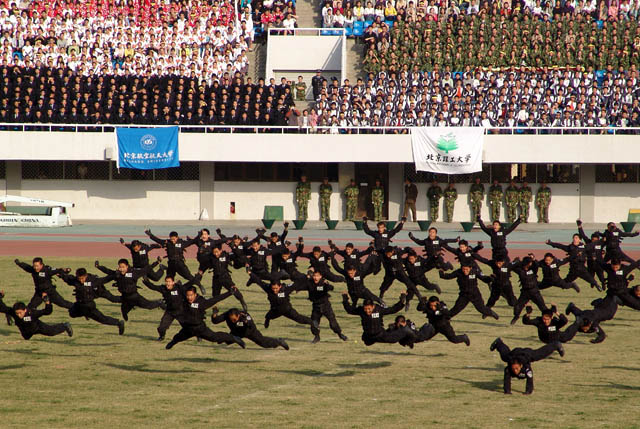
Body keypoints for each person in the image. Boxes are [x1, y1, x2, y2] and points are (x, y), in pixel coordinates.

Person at [165, 286, 245, 350]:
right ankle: (172, 343)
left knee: (215, 337)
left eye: (191, 295)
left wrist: (229, 293)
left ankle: (234, 338)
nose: (189, 297)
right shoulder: (184, 302)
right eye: (188, 295)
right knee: (178, 337)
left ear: (195, 295)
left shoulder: (201, 302)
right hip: (188, 329)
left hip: (200, 328)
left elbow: (215, 299)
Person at [250, 274, 320, 338]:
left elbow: (296, 284)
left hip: (287, 309)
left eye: (276, 288)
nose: (275, 290)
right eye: (273, 288)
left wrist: (306, 277)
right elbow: (259, 281)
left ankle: (313, 323)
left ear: (280, 286)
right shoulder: (268, 288)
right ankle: (267, 320)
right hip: (275, 310)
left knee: (299, 319)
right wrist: (250, 273)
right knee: (268, 316)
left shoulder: (286, 289)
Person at [58, 268, 125, 335]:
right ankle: (85, 313)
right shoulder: (76, 280)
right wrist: (60, 274)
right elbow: (68, 278)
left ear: (86, 276)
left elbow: (104, 279)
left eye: (82, 278)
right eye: (79, 278)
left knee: (102, 319)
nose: (81, 281)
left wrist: (115, 275)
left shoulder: (93, 280)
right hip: (79, 304)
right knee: (72, 313)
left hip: (89, 305)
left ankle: (118, 323)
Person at [95, 258, 165, 321]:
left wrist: (157, 262)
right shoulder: (117, 274)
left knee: (149, 306)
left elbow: (146, 269)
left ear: (127, 266)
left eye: (123, 267)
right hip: (125, 297)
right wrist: (99, 267)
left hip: (135, 297)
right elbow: (108, 271)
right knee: (123, 309)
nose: (121, 269)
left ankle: (159, 303)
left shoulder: (134, 273)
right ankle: (126, 316)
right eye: (120, 267)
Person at [490, 337, 564, 395]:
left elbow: (529, 379)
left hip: (526, 354)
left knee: (538, 355)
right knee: (505, 357)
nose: (515, 371)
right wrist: (507, 391)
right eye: (514, 369)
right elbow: (506, 380)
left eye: (516, 368)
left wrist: (528, 391)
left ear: (521, 366)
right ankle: (499, 343)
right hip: (514, 353)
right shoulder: (509, 368)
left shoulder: (526, 367)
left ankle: (555, 345)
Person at [342, 292, 416, 346]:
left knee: (394, 340)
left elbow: (392, 310)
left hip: (380, 334)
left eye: (369, 309)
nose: (367, 311)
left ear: (373, 306)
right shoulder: (361, 310)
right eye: (365, 309)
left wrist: (402, 300)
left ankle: (405, 328)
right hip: (368, 336)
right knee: (366, 343)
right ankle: (391, 329)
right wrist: (345, 299)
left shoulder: (379, 309)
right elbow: (349, 310)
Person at [145, 229, 205, 295]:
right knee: (169, 279)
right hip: (171, 264)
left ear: (177, 237)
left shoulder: (181, 243)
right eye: (171, 239)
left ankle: (200, 286)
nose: (173, 241)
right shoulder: (167, 242)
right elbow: (158, 240)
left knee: (189, 277)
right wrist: (150, 235)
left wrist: (199, 235)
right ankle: (170, 293)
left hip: (180, 264)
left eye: (174, 239)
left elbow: (192, 241)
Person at [298, 270, 348, 343]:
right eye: (314, 276)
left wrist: (327, 285)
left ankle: (340, 334)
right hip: (316, 306)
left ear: (320, 276)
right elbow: (301, 286)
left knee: (333, 323)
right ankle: (317, 336)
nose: (315, 278)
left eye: (317, 276)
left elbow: (331, 288)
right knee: (314, 323)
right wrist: (297, 288)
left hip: (326, 306)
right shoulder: (309, 283)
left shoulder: (323, 283)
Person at [0, 291, 73, 340]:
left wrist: (47, 302)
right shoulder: (13, 312)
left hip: (37, 327)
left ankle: (65, 326)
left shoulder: (32, 313)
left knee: (51, 332)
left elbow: (47, 311)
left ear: (25, 310)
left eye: (20, 313)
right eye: (17, 313)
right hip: (26, 331)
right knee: (26, 337)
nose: (19, 315)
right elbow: (2, 307)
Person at [211, 308, 289, 350]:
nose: (232, 321)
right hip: (236, 332)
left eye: (234, 319)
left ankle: (279, 341)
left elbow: (251, 325)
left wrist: (246, 321)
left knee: (263, 343)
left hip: (249, 331)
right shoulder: (227, 315)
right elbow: (215, 321)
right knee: (225, 340)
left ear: (238, 316)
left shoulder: (245, 315)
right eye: (231, 319)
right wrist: (214, 313)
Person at [143, 276, 192, 341]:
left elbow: (189, 285)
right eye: (166, 281)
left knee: (189, 327)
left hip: (180, 311)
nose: (167, 283)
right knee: (161, 328)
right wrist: (146, 281)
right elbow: (153, 287)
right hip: (170, 312)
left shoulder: (179, 288)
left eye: (169, 282)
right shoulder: (163, 288)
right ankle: (162, 336)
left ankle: (198, 335)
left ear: (173, 282)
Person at [510, 255, 548, 325]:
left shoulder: (533, 269)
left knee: (542, 306)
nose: (531, 264)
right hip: (525, 292)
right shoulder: (520, 270)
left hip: (534, 291)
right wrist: (516, 262)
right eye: (530, 262)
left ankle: (549, 318)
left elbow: (537, 264)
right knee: (517, 306)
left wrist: (533, 259)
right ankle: (516, 316)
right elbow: (511, 267)